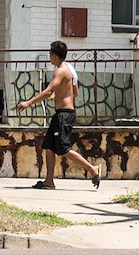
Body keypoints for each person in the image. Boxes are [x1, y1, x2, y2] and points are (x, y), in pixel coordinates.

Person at [16, 40, 102, 189]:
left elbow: (49, 91)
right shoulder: (70, 68)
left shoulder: (60, 70)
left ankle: (92, 169)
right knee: (49, 146)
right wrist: (63, 93)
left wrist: (28, 103)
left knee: (62, 148)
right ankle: (49, 181)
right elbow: (75, 92)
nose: (49, 57)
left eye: (50, 54)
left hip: (64, 115)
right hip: (62, 114)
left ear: (54, 55)